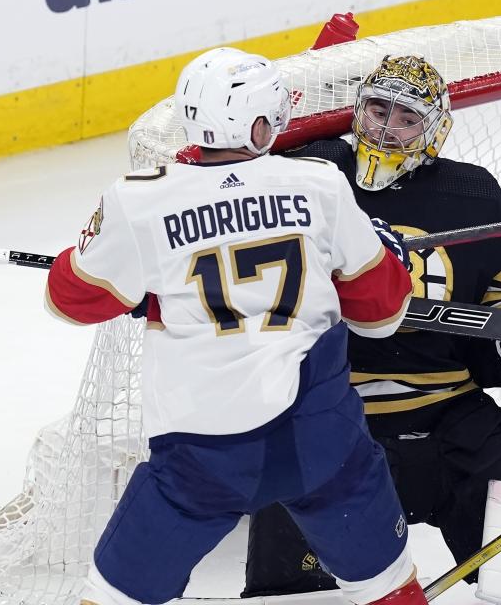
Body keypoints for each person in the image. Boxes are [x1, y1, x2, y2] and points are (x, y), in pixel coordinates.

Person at [242, 55, 501, 596]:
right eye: (376, 109)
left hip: (454, 418)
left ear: (434, 130)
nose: (385, 128)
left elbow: (491, 343)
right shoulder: (305, 175)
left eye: (404, 118)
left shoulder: (472, 196)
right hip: (327, 423)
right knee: (287, 595)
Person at [44, 46, 428, 605]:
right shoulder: (319, 184)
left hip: (200, 461)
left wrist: (132, 268)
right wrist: (386, 257)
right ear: (255, 122)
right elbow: (381, 318)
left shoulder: (140, 201)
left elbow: (69, 301)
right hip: (322, 444)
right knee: (391, 589)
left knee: (111, 598)